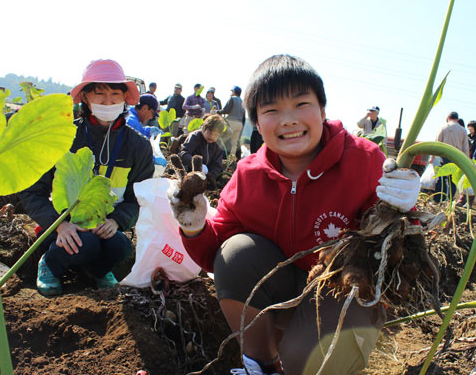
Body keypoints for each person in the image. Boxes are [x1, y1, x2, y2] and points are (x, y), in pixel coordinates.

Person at [167, 54, 420, 374]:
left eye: (301, 104)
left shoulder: (365, 160)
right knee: (236, 254)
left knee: (306, 361)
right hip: (284, 290)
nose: (288, 120)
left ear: (323, 110)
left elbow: (397, 243)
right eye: (271, 110)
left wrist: (404, 209)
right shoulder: (249, 173)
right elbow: (216, 256)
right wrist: (194, 227)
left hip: (342, 291)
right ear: (257, 124)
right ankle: (261, 365)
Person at [19, 59, 155, 296]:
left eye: (115, 93)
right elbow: (32, 192)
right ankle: (50, 264)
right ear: (85, 98)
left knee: (120, 245)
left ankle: (98, 271)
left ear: (125, 98)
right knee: (86, 243)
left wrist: (117, 222)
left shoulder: (138, 147)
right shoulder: (64, 137)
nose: (108, 100)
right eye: (99, 93)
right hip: (63, 224)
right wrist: (60, 224)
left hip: (105, 225)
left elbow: (138, 199)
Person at [178, 114, 225, 189]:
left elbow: (217, 165)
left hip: (204, 178)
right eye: (210, 133)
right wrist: (198, 165)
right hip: (189, 174)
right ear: (204, 128)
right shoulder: (195, 137)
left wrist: (210, 176)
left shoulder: (218, 144)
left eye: (215, 135)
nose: (212, 137)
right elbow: (184, 153)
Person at [431, 111, 469, 203]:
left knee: (442, 178)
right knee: (453, 180)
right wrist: (466, 161)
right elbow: (465, 147)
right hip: (457, 157)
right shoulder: (463, 130)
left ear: (448, 118)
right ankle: (449, 200)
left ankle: (438, 199)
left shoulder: (444, 127)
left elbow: (436, 144)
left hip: (445, 156)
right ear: (457, 119)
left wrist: (432, 158)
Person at [456, 120, 476, 207]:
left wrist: (474, 161)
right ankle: (461, 200)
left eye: (471, 127)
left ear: (475, 128)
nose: (469, 129)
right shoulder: (468, 137)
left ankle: (469, 202)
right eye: (468, 127)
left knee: (471, 182)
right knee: (463, 180)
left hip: (473, 162)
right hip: (465, 160)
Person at [217, 86, 246, 158]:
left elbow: (226, 110)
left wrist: (217, 112)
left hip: (231, 122)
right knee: (234, 143)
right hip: (239, 123)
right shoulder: (243, 102)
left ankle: (221, 156)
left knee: (224, 140)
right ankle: (232, 159)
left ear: (234, 92)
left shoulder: (232, 99)